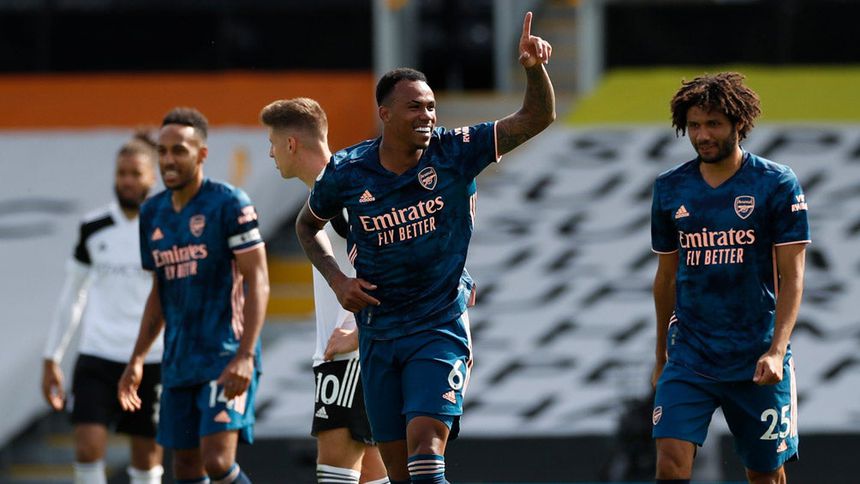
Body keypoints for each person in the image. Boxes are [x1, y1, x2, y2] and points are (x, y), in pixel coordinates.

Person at [295, 11, 555, 483]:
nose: (428, 116)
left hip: (438, 325)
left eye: (432, 106)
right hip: (379, 332)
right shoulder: (348, 172)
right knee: (398, 473)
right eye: (415, 107)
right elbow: (307, 225)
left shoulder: (455, 151)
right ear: (385, 114)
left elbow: (536, 117)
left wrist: (534, 70)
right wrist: (337, 281)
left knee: (426, 446)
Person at [650, 72, 810, 484]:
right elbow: (666, 278)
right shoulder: (670, 188)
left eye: (713, 124)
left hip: (755, 357)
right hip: (690, 355)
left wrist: (776, 350)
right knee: (669, 463)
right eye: (694, 126)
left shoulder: (776, 184)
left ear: (739, 123)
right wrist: (661, 356)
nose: (702, 135)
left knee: (764, 476)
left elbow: (793, 278)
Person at [117, 107, 270, 484]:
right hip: (178, 361)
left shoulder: (229, 203)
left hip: (225, 356)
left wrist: (245, 356)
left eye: (179, 151)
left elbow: (258, 279)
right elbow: (160, 291)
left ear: (201, 154)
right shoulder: (152, 212)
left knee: (217, 461)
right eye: (162, 151)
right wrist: (137, 358)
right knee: (185, 467)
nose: (168, 160)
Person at [259, 98, 389, 484]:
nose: (270, 153)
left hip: (352, 354)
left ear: (291, 144)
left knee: (336, 471)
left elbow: (390, 262)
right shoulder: (333, 190)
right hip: (360, 351)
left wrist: (357, 332)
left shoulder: (342, 193)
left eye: (272, 143)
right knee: (372, 474)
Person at [42, 132, 165, 484]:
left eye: (135, 173)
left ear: (151, 177)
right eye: (121, 173)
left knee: (146, 458)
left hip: (152, 358)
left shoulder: (166, 227)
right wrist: (52, 357)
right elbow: (73, 293)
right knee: (87, 447)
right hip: (98, 355)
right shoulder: (93, 227)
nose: (127, 181)